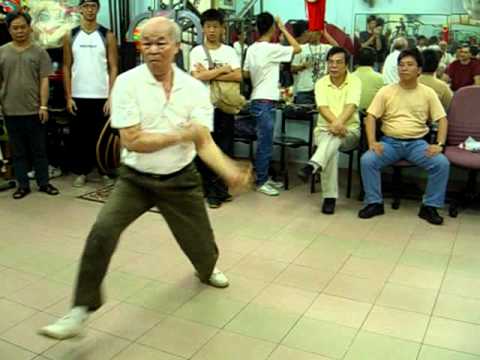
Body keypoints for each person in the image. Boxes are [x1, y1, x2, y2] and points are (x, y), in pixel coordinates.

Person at [38, 17, 250, 340]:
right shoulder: (126, 82)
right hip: (135, 178)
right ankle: (80, 309)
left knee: (202, 243)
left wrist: (227, 170)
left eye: (160, 42)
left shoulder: (193, 89)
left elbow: (203, 141)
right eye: (146, 43)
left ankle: (206, 269)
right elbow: (133, 140)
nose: (152, 49)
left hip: (180, 179)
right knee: (102, 231)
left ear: (177, 47)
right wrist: (183, 133)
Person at [359, 49, 450, 225]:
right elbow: (370, 117)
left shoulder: (428, 93)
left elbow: (442, 119)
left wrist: (439, 144)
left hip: (417, 144)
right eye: (401, 65)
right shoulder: (386, 91)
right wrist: (372, 142)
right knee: (368, 160)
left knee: (441, 163)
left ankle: (429, 207)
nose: (404, 69)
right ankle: (374, 203)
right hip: (389, 143)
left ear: (419, 70)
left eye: (409, 65)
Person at [0, 12, 59, 199]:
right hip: (10, 109)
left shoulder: (39, 52)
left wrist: (43, 106)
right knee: (18, 152)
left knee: (39, 149)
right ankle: (22, 185)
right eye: (15, 28)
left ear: (29, 28)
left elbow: (44, 81)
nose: (19, 31)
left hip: (35, 110)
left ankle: (44, 183)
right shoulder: (1, 51)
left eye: (22, 27)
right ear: (9, 30)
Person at [297, 47, 361, 214]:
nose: (334, 66)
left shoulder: (355, 81)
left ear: (346, 64)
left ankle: (314, 167)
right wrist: (336, 126)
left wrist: (338, 125)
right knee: (330, 145)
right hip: (325, 131)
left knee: (331, 140)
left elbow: (351, 106)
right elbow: (323, 108)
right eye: (331, 62)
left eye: (338, 62)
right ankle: (329, 197)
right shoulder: (320, 83)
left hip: (351, 132)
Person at [243, 13, 301, 196]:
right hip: (265, 101)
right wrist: (283, 28)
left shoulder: (251, 49)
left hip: (257, 99)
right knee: (265, 144)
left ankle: (264, 178)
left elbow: (245, 73)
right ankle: (261, 181)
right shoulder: (271, 49)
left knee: (264, 143)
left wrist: (260, 75)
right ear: (272, 28)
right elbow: (297, 48)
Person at [190, 9, 242, 208]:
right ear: (203, 28)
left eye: (215, 26)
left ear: (222, 29)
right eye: (208, 26)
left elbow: (238, 76)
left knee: (225, 147)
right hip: (202, 108)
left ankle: (221, 190)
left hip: (224, 106)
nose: (211, 30)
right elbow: (196, 76)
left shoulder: (229, 51)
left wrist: (209, 73)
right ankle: (210, 192)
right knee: (204, 149)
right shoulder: (196, 51)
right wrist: (222, 70)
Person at [63, 0, 118, 187]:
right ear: (80, 9)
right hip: (78, 95)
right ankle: (81, 172)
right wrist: (69, 96)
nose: (89, 9)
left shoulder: (107, 35)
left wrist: (111, 96)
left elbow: (113, 66)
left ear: (98, 9)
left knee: (101, 136)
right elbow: (66, 66)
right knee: (80, 136)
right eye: (85, 6)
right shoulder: (70, 35)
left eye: (93, 6)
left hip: (101, 96)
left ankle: (104, 171)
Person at [291, 29, 338, 104]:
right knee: (304, 114)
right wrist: (302, 66)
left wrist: (326, 34)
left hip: (323, 89)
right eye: (308, 32)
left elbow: (338, 49)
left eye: (311, 32)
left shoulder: (326, 48)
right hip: (305, 90)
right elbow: (292, 68)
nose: (309, 34)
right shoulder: (301, 48)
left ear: (319, 34)